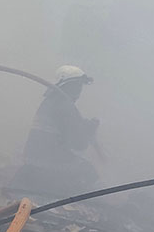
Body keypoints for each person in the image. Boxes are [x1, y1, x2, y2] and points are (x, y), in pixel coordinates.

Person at [9, 65, 99, 198]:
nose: (79, 91)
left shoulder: (49, 102)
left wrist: (82, 126)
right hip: (51, 163)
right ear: (68, 86)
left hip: (32, 158)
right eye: (77, 86)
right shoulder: (65, 106)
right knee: (89, 173)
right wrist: (89, 129)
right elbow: (78, 144)